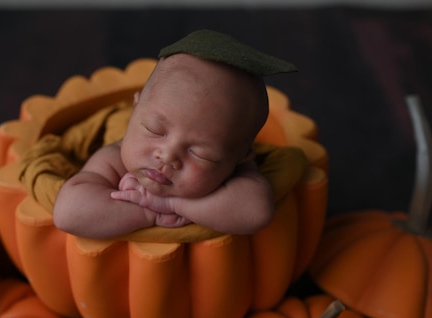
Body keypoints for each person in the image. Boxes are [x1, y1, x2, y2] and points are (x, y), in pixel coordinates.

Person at [53, 29, 296, 239]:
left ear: (241, 157)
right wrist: (148, 212)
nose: (167, 155)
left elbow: (256, 211)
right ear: (135, 110)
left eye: (200, 154)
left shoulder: (235, 168)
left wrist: (170, 204)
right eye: (154, 130)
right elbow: (68, 213)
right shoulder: (115, 158)